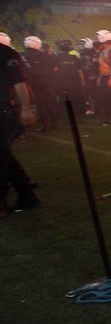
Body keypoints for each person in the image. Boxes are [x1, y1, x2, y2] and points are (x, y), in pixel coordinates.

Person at [0, 41, 42, 218]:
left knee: (1, 156)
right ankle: (27, 195)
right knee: (4, 155)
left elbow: (19, 83)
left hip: (3, 110)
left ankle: (1, 202)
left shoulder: (6, 53)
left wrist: (26, 109)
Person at [22, 36, 58, 131]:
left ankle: (45, 124)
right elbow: (54, 68)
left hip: (33, 83)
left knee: (40, 104)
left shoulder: (23, 55)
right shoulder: (45, 55)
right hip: (47, 81)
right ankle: (54, 122)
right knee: (50, 102)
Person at [54, 39, 85, 117]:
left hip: (62, 82)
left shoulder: (57, 57)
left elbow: (55, 70)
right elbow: (80, 71)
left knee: (64, 98)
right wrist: (82, 82)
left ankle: (66, 114)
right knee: (76, 99)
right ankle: (78, 114)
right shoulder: (75, 57)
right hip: (75, 82)